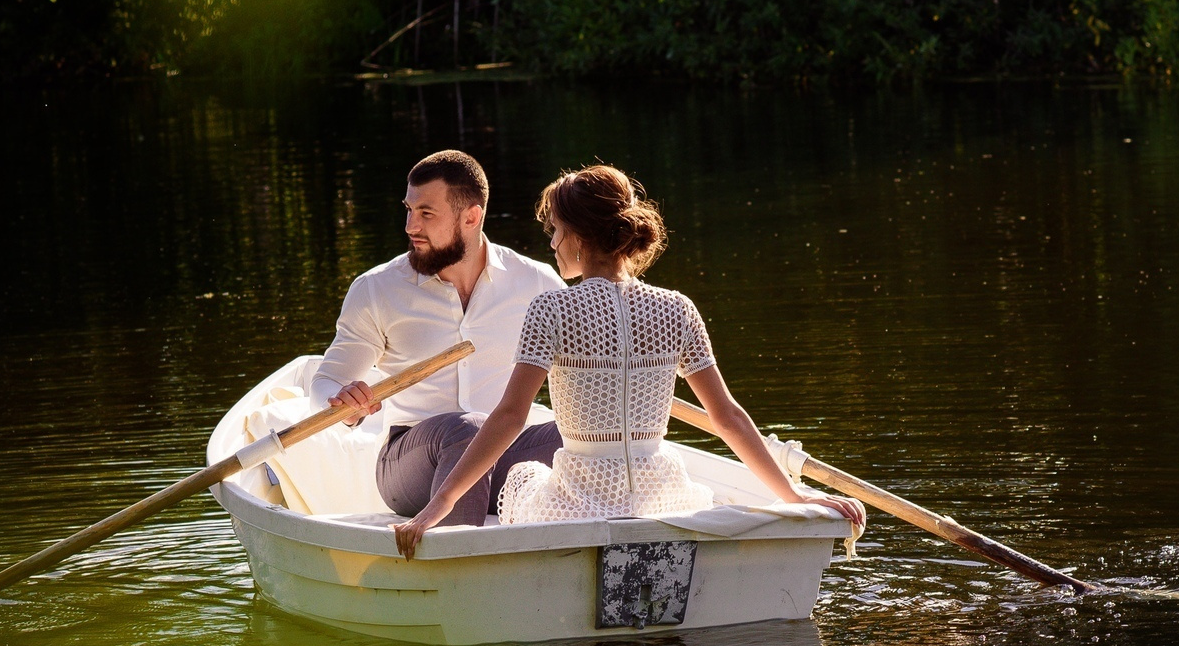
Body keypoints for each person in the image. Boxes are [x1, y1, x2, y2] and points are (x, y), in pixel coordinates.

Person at [392, 165, 865, 557]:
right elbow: (728, 417)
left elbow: (510, 417)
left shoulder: (553, 309)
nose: (552, 244)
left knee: (523, 478)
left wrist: (439, 505)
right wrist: (793, 494)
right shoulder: (676, 307)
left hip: (581, 499)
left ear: (578, 236)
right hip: (661, 493)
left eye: (556, 231)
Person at [314, 150, 565, 524]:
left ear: (471, 217)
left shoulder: (536, 283)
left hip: (506, 452)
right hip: (413, 462)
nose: (410, 226)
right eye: (409, 209)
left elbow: (591, 367)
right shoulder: (377, 289)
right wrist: (342, 401)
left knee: (587, 431)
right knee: (465, 429)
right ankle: (456, 563)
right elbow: (326, 380)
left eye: (426, 214)